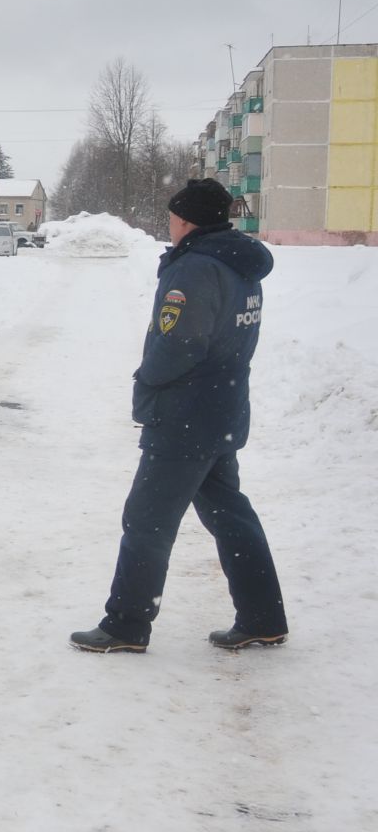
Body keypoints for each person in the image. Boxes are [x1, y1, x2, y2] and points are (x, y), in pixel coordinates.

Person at [70, 179, 284, 654]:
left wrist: (147, 379)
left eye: (173, 215)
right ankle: (263, 616)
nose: (170, 223)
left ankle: (126, 625)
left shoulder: (195, 268)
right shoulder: (239, 263)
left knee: (147, 521)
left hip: (185, 415)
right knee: (230, 516)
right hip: (222, 409)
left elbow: (180, 341)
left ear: (186, 220)